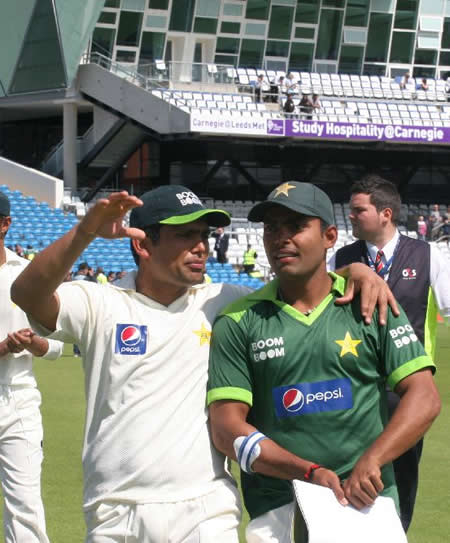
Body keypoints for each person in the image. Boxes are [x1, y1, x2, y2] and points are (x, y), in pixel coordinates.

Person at [11, 185, 398, 542]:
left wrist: (354, 270)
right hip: (115, 510)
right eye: (185, 235)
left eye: (204, 235)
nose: (200, 247)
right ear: (144, 245)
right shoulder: (100, 302)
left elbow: (301, 283)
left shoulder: (226, 301)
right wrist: (85, 233)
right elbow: (26, 294)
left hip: (206, 510)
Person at [207, 181, 441, 543]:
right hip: (278, 514)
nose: (281, 238)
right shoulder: (238, 321)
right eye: (272, 228)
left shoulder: (372, 303)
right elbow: (225, 428)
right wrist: (307, 471)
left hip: (367, 508)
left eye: (296, 226)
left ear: (330, 235)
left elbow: (425, 397)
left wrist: (373, 460)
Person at [329, 174, 450, 532]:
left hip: (406, 391)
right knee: (349, 477)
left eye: (358, 210)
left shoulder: (429, 255)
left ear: (385, 213)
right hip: (354, 387)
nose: (350, 216)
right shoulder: (342, 258)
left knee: (403, 478)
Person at [0, 190, 63, 543]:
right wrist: (5, 347)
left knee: (25, 508)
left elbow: (54, 346)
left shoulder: (27, 273)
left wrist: (33, 343)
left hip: (20, 400)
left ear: (5, 224)